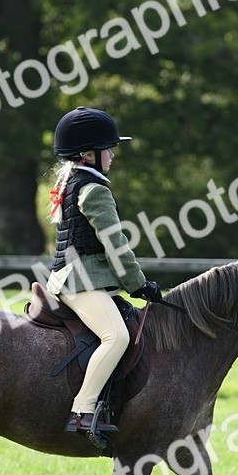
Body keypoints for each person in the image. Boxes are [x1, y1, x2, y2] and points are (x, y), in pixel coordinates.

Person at [45, 107, 163, 442]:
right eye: (108, 149)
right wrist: (138, 285)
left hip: (75, 275)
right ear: (88, 154)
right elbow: (116, 245)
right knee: (117, 337)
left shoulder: (73, 181)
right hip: (80, 279)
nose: (112, 154)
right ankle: (82, 411)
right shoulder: (94, 189)